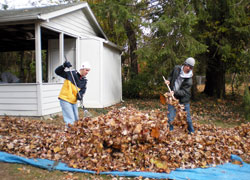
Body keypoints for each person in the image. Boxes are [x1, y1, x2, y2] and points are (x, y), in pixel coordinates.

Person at [164, 57, 195, 134]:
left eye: (190, 67)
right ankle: (169, 133)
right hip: (172, 98)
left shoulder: (189, 80)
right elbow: (171, 75)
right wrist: (168, 80)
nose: (188, 68)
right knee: (170, 116)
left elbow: (184, 92)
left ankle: (191, 132)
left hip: (184, 100)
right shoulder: (176, 68)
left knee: (187, 118)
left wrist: (174, 92)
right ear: (184, 64)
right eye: (187, 65)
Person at [55, 61, 91, 125]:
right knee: (70, 119)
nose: (87, 72)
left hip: (73, 101)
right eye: (86, 70)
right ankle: (69, 134)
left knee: (76, 119)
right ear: (82, 69)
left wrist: (80, 95)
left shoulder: (84, 81)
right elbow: (57, 72)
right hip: (65, 99)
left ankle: (75, 133)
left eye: (88, 71)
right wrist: (63, 66)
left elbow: (83, 90)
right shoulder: (71, 74)